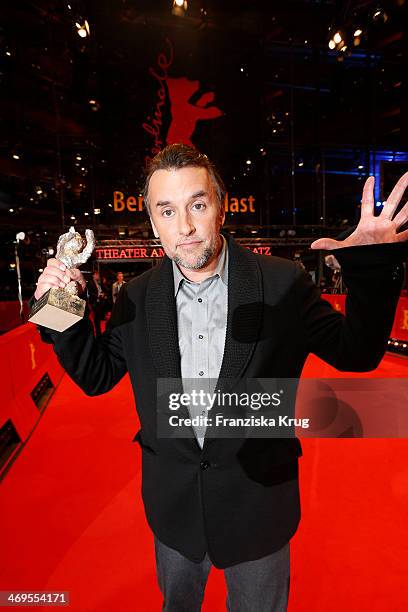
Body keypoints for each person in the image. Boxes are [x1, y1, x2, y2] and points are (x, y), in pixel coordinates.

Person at [33, 144, 408, 611]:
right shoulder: (136, 295)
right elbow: (95, 375)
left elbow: (357, 354)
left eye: (197, 204)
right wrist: (58, 303)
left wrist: (372, 271)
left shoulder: (283, 281)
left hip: (259, 509)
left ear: (221, 206)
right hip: (173, 510)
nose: (184, 227)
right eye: (167, 211)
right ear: (152, 222)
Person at [87, 270, 109, 336]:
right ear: (93, 275)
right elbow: (90, 293)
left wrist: (103, 283)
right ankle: (98, 333)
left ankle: (99, 332)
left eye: (98, 275)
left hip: (101, 302)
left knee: (100, 318)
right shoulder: (90, 283)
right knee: (96, 319)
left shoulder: (99, 282)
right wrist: (98, 296)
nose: (98, 276)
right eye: (97, 275)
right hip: (95, 303)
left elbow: (106, 290)